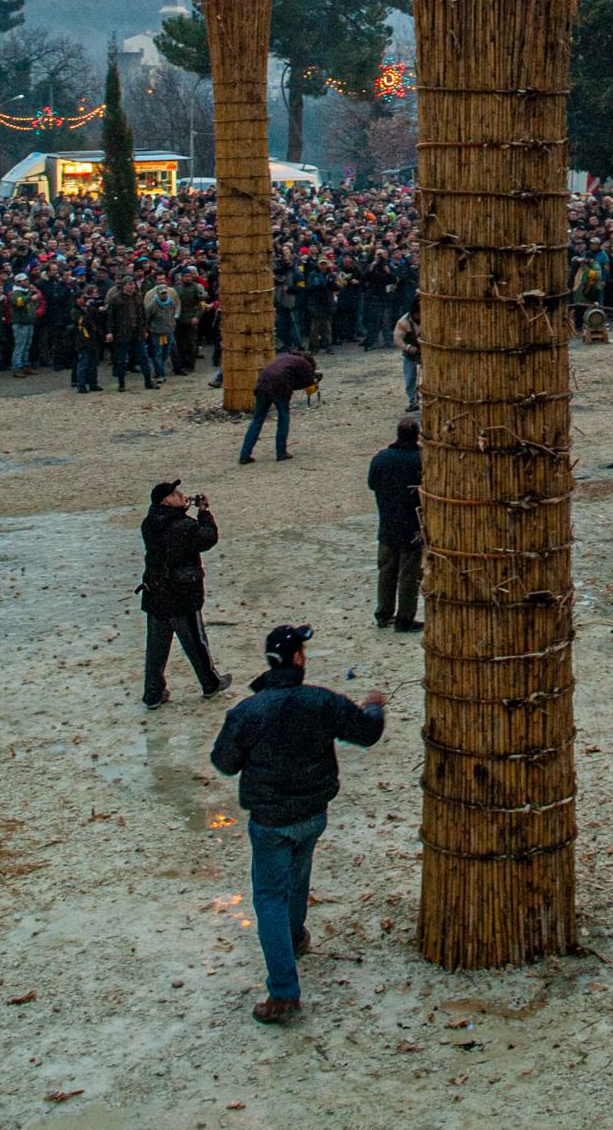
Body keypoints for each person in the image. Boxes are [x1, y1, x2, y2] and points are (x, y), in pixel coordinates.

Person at [209, 622, 386, 1024]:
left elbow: (223, 762)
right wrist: (374, 704)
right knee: (298, 876)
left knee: (269, 897)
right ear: (299, 659)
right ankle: (294, 938)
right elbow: (368, 732)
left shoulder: (248, 711)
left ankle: (284, 990)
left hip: (270, 820)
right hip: (312, 813)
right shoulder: (320, 702)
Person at [139, 478, 229, 707]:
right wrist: (204, 512)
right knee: (195, 642)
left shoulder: (149, 523)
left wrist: (182, 512)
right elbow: (208, 537)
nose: (180, 495)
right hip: (182, 595)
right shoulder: (182, 526)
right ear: (165, 501)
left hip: (155, 593)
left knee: (156, 648)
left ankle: (153, 693)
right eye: (175, 494)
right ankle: (210, 683)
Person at [367, 413, 423, 632]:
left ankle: (383, 614)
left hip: (387, 523)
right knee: (408, 576)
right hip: (411, 525)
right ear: (417, 436)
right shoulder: (420, 460)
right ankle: (405, 618)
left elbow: (372, 484)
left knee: (386, 572)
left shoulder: (381, 458)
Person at [239, 349, 319, 464]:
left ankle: (244, 454)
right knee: (283, 418)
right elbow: (309, 386)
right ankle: (281, 452)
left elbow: (291, 379)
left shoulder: (285, 358)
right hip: (279, 387)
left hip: (262, 384)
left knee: (257, 420)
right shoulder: (305, 364)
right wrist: (315, 382)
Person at [144, 277, 180, 381]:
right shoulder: (152, 304)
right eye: (162, 293)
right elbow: (147, 317)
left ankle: (159, 370)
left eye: (165, 293)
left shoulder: (171, 302)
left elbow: (173, 312)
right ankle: (160, 373)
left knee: (166, 352)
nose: (164, 295)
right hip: (157, 332)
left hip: (168, 331)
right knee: (157, 353)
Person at [393, 299, 421, 411]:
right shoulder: (403, 322)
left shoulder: (429, 317)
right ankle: (413, 402)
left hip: (426, 353)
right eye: (419, 313)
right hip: (410, 354)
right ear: (414, 313)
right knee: (410, 379)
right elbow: (397, 339)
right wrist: (408, 347)